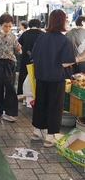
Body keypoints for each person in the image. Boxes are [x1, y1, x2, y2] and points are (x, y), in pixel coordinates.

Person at [31, 9, 85, 147]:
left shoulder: (42, 37)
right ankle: (49, 137)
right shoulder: (64, 40)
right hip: (56, 78)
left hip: (41, 76)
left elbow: (34, 56)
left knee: (41, 102)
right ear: (62, 21)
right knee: (55, 106)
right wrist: (79, 57)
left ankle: (37, 132)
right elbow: (65, 62)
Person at [0, 13, 21, 122]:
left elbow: (18, 50)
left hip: (10, 64)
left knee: (10, 88)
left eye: (10, 26)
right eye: (5, 26)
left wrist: (19, 49)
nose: (8, 28)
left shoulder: (12, 35)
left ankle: (9, 112)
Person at [17, 19, 44, 96]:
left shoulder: (25, 34)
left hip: (26, 57)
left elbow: (19, 44)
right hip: (38, 59)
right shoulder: (42, 34)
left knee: (23, 75)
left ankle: (21, 93)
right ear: (39, 25)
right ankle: (36, 94)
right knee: (36, 77)